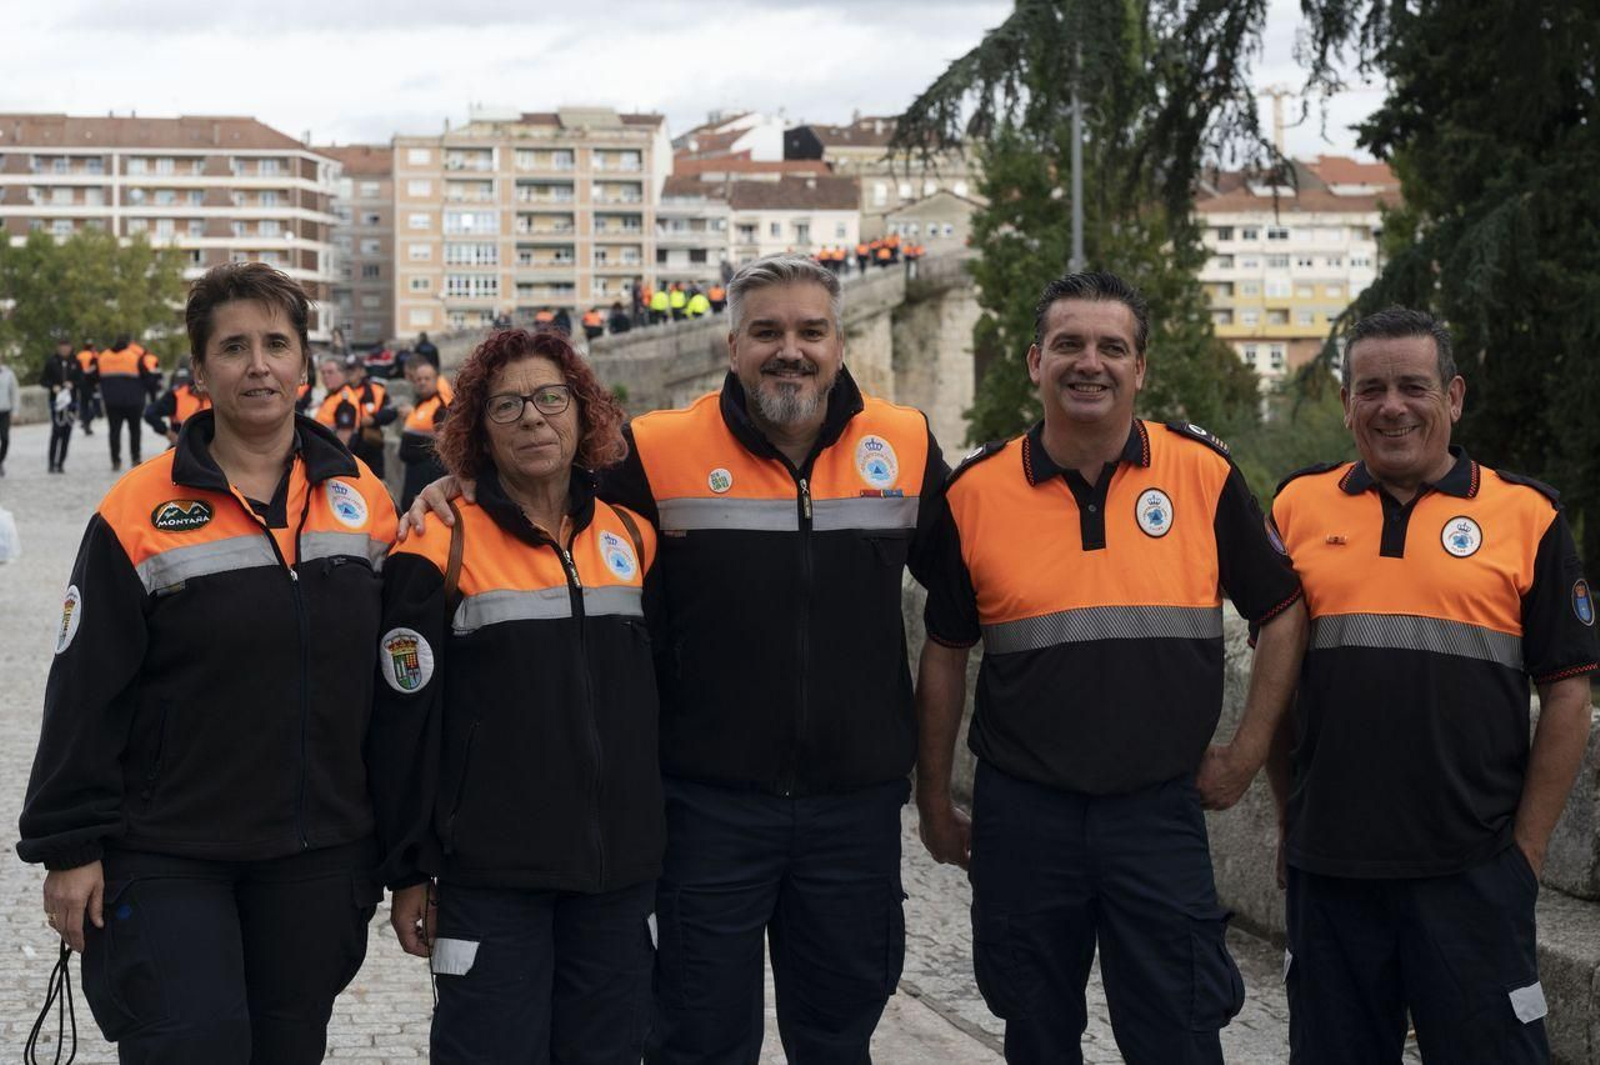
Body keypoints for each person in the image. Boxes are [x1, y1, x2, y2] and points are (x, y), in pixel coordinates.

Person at [402, 254, 950, 1065]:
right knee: (696, 1039)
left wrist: (931, 789)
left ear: (841, 343)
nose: (788, 349)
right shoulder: (657, 449)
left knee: (839, 1037)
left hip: (853, 813)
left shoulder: (903, 443)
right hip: (706, 814)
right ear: (732, 345)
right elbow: (551, 505)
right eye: (766, 331)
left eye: (810, 331)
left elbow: (965, 597)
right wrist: (452, 486)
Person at [916, 271, 1307, 1065]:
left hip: (1156, 814)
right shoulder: (975, 493)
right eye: (1068, 344)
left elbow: (1284, 611)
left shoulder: (1202, 474)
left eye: (1111, 346)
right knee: (1035, 1031)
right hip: (1024, 816)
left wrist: (1247, 751)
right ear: (1034, 361)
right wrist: (932, 798)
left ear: (1141, 368)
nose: (1088, 362)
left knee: (1181, 1034)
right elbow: (945, 654)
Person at [17, 261, 397, 1063]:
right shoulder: (139, 509)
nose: (257, 364)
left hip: (317, 852)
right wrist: (69, 846)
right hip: (169, 850)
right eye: (233, 347)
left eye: (276, 343)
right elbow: (84, 688)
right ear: (199, 371)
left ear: (305, 366)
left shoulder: (368, 499)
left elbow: (400, 677)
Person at [1267, 308, 1598, 1064]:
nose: (1392, 406)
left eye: (1413, 386)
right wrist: (1293, 819)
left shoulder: (1528, 515)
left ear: (1454, 395)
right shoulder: (1295, 508)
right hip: (1332, 875)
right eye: (1370, 388)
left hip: (1472, 877)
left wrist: (1526, 854)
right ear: (1347, 403)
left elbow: (1570, 694)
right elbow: (1274, 691)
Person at [370, 328, 664, 1062]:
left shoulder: (632, 535)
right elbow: (401, 725)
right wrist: (409, 869)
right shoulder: (436, 544)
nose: (532, 418)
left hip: (616, 878)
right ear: (478, 430)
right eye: (506, 406)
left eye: (549, 398)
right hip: (490, 881)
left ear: (582, 411)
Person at [91, 335, 160, 470]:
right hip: (134, 402)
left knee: (114, 431)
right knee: (135, 430)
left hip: (112, 402)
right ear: (128, 344)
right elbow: (148, 379)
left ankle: (115, 460)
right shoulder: (134, 357)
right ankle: (135, 458)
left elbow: (92, 378)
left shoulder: (103, 357)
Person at [395, 360, 451, 511]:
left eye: (427, 379)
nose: (422, 382)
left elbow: (443, 446)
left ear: (436, 379)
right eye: (419, 379)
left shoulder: (441, 406)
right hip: (413, 473)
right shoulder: (421, 404)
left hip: (426, 476)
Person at [144, 362, 211, 447]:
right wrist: (169, 434)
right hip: (182, 447)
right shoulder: (177, 396)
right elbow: (150, 413)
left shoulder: (219, 397)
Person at [41, 339, 81, 473]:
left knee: (67, 433)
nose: (64, 349)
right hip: (56, 402)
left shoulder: (76, 362)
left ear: (71, 347)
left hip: (71, 402)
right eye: (62, 347)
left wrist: (73, 384)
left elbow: (82, 380)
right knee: (56, 432)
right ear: (58, 348)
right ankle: (51, 462)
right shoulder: (51, 362)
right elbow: (43, 380)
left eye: (67, 347)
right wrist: (53, 386)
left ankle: (61, 462)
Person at [75, 339, 100, 436]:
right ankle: (86, 421)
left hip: (81, 383)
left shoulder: (79, 356)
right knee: (96, 405)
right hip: (91, 383)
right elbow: (97, 369)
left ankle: (85, 421)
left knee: (84, 405)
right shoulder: (94, 355)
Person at [0, 349, 17, 477]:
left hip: (4, 411)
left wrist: (15, 411)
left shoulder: (8, 374)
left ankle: (0, 461)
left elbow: (14, 393)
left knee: (5, 438)